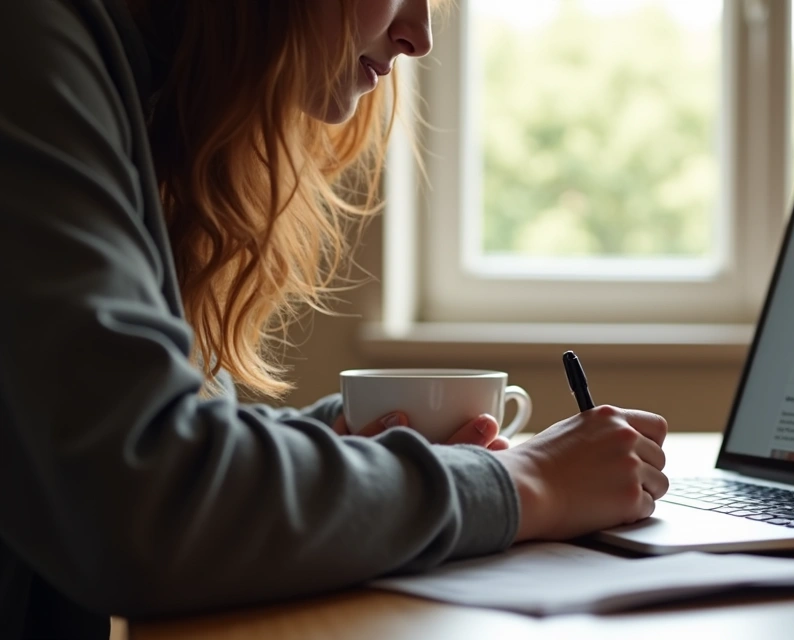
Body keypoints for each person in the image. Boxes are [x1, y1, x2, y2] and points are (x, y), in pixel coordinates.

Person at [0, 1, 669, 637]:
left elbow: (147, 443)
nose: (419, 37)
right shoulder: (33, 48)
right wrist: (525, 484)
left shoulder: (112, 75)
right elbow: (141, 500)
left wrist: (353, 450)